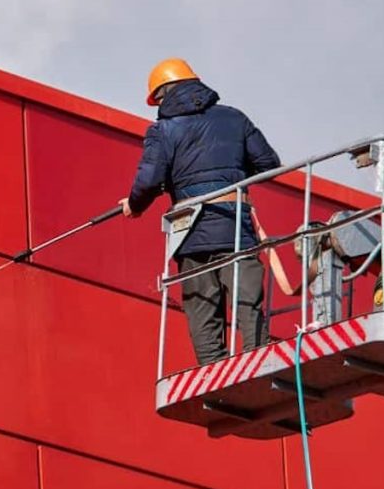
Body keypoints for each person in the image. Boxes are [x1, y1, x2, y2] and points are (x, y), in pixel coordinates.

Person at [119, 58, 281, 365]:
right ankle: (258, 361)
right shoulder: (235, 119)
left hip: (191, 233)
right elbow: (268, 165)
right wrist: (227, 172)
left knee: (201, 306)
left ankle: (212, 371)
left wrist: (135, 205)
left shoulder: (163, 131)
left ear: (163, 93)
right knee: (248, 301)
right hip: (236, 227)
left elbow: (149, 180)